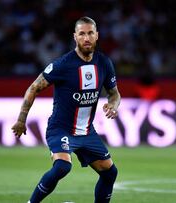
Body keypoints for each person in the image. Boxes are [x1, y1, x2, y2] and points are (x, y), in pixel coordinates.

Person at [11, 16, 121, 203]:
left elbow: (115, 94)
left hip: (87, 132)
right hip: (61, 129)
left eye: (90, 33)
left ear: (97, 36)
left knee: (110, 172)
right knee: (62, 167)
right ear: (75, 37)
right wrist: (21, 120)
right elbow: (33, 88)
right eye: (82, 34)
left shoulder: (104, 63)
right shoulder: (62, 65)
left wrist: (113, 105)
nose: (86, 38)